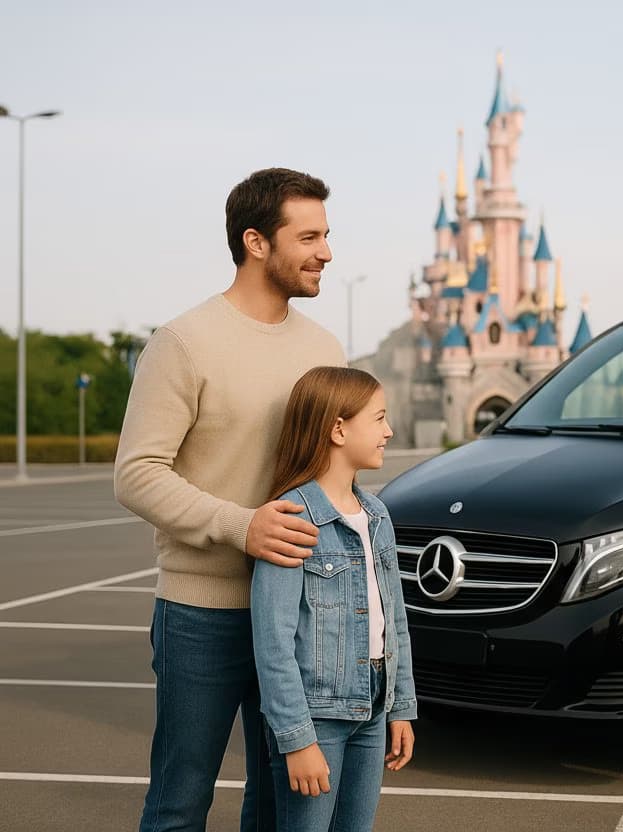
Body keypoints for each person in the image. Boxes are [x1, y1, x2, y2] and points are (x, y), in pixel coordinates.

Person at [115, 168, 345, 831]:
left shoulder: (325, 348)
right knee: (180, 803)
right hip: (202, 614)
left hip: (300, 609)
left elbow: (336, 475)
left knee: (280, 806)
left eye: (326, 235)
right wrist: (240, 526)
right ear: (256, 242)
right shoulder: (184, 342)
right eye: (309, 237)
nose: (327, 252)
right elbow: (137, 473)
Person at [251, 366, 417, 830]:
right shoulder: (293, 518)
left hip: (373, 706)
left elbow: (395, 621)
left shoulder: (377, 515)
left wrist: (401, 708)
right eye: (379, 418)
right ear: (338, 429)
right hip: (317, 717)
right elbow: (273, 641)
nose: (389, 431)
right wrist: (297, 739)